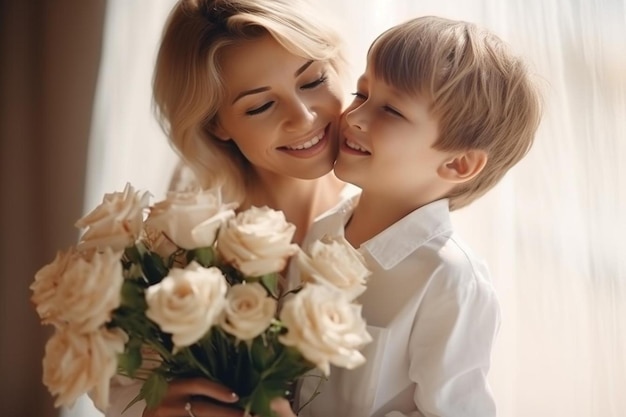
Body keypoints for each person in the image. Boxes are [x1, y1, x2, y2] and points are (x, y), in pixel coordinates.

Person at [278, 15, 542, 417]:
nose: (354, 117)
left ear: (458, 164)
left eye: (392, 111)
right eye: (360, 93)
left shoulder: (450, 280)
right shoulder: (325, 229)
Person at [102, 1, 357, 416]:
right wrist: (148, 410)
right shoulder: (180, 248)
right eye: (260, 105)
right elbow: (120, 392)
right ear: (215, 124)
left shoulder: (395, 218)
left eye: (312, 80)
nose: (304, 116)